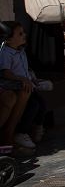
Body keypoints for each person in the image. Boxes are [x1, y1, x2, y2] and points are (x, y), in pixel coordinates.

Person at [0, 21, 55, 153]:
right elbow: (5, 72)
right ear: (8, 39)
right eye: (20, 34)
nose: (24, 35)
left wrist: (32, 79)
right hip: (11, 84)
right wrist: (22, 79)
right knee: (28, 101)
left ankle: (18, 132)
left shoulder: (21, 51)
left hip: (24, 84)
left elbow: (25, 69)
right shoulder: (5, 52)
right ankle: (18, 133)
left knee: (39, 102)